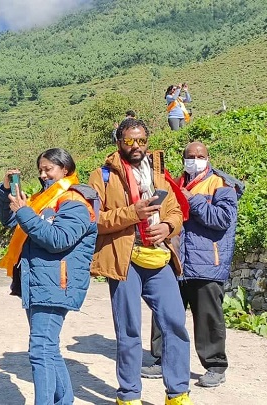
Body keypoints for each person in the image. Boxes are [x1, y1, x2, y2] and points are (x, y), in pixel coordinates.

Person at [88, 118, 193, 405]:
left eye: (141, 140)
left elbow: (174, 211)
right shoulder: (102, 176)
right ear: (118, 141)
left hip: (159, 256)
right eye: (130, 140)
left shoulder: (158, 174)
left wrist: (168, 227)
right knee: (129, 330)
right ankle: (129, 395)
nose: (136, 146)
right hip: (125, 260)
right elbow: (95, 220)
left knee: (175, 324)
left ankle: (178, 394)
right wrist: (133, 213)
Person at [0, 148, 98, 405]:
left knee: (40, 350)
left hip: (57, 284)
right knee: (48, 348)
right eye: (40, 170)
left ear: (65, 169)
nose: (43, 175)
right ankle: (64, 400)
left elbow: (59, 239)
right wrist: (7, 193)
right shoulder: (43, 199)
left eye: (48, 169)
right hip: (39, 282)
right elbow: (11, 221)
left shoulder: (75, 200)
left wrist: (25, 211)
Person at [143, 142, 243, 388]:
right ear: (183, 158)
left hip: (208, 262)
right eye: (191, 156)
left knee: (209, 318)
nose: (195, 159)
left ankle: (215, 365)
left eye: (200, 156)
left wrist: (192, 200)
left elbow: (222, 219)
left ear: (208, 158)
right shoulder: (174, 183)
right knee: (164, 313)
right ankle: (161, 358)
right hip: (177, 261)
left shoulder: (221, 185)